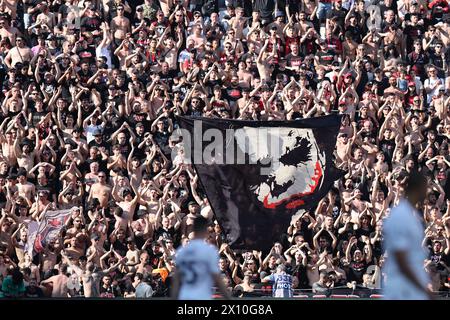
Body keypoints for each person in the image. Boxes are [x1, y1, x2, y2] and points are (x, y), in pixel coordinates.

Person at [383, 172, 434, 300]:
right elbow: (401, 260)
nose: (427, 192)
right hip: (401, 291)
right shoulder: (401, 216)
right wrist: (423, 289)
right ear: (417, 188)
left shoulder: (412, 215)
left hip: (412, 290)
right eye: (425, 188)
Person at [171, 216, 231, 300]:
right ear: (205, 229)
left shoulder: (182, 251)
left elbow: (177, 279)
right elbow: (217, 279)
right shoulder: (210, 251)